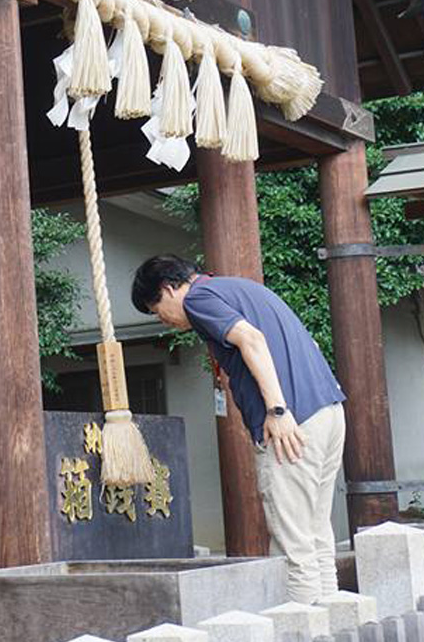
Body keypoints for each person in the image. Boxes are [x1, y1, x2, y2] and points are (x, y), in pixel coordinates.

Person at [131, 254, 346, 603]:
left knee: (293, 545)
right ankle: (333, 622)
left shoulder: (199, 299)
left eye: (156, 310)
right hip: (328, 412)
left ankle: (303, 630)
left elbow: (252, 339)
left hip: (292, 424)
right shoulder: (240, 289)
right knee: (315, 531)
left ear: (168, 289)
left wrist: (277, 410)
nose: (163, 320)